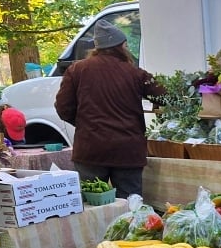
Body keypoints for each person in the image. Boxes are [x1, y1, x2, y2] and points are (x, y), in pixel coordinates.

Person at [54, 19, 165, 198]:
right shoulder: (135, 73)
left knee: (91, 205)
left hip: (91, 149)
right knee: (131, 205)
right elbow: (164, 96)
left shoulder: (77, 70)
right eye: (125, 45)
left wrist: (86, 124)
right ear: (120, 47)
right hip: (127, 150)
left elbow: (63, 108)